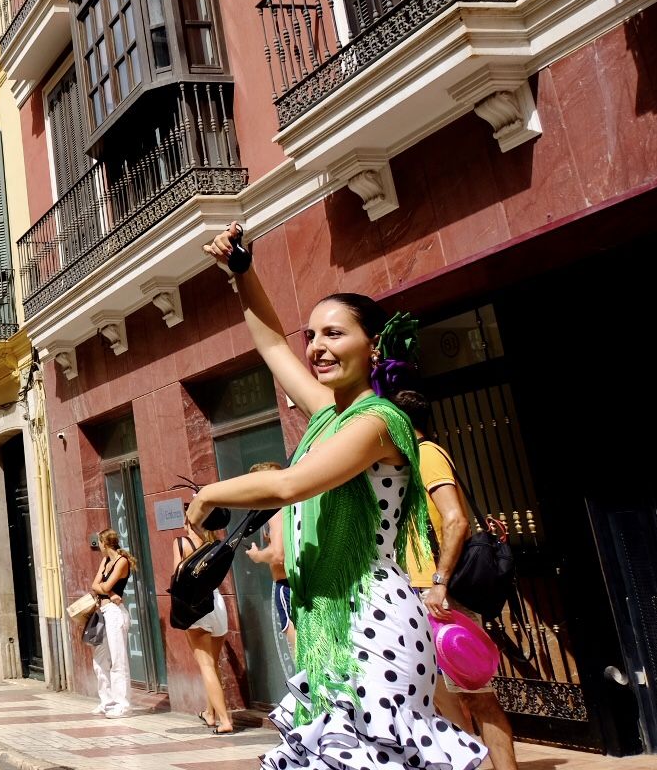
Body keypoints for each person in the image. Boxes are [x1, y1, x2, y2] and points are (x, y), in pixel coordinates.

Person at [185, 224, 485, 770]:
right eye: (314, 337)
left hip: (374, 618)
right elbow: (273, 343)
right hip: (327, 621)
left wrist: (208, 492)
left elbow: (289, 485)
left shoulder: (377, 422)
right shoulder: (329, 413)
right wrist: (241, 275)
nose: (318, 348)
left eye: (335, 335)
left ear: (373, 348)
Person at [395, 390, 519, 770]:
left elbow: (456, 520)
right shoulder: (403, 463)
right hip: (418, 593)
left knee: (477, 695)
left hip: (442, 596)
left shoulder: (428, 455)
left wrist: (439, 581)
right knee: (440, 701)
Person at [173, 518, 235, 732]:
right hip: (217, 604)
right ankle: (210, 713)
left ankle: (225, 721)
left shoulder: (181, 543)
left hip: (196, 606)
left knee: (206, 665)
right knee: (213, 664)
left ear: (188, 522)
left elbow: (178, 576)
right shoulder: (215, 544)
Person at [243, 460, 296, 665]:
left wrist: (258, 556)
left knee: (296, 644)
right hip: (296, 582)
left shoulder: (275, 510)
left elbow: (278, 554)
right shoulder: (291, 506)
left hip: (285, 584)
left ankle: (307, 690)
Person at [89, 529, 134, 717]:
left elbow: (104, 586)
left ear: (105, 543)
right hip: (102, 612)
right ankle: (107, 701)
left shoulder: (121, 561)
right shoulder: (105, 560)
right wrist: (109, 593)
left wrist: (108, 591)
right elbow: (94, 585)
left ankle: (122, 704)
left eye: (99, 543)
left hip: (115, 614)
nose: (98, 546)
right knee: (99, 659)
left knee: (118, 659)